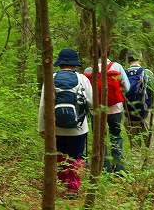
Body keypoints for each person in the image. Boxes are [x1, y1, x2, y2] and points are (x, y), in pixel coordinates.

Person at [38, 48, 93, 196]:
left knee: (60, 154)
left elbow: (43, 104)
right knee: (77, 155)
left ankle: (62, 179)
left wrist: (42, 127)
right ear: (75, 64)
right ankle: (72, 188)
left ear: (60, 63)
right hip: (79, 127)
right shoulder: (82, 79)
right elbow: (92, 103)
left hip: (55, 127)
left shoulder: (51, 78)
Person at [84, 42, 130, 174]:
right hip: (115, 108)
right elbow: (127, 87)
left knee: (100, 138)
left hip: (97, 110)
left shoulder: (88, 70)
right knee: (116, 135)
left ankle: (104, 168)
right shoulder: (117, 67)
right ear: (107, 51)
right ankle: (119, 168)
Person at [124, 50, 154, 150]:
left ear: (128, 60)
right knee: (149, 147)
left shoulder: (123, 74)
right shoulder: (147, 73)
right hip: (145, 114)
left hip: (128, 115)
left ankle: (134, 166)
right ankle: (149, 165)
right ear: (140, 59)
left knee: (135, 147)